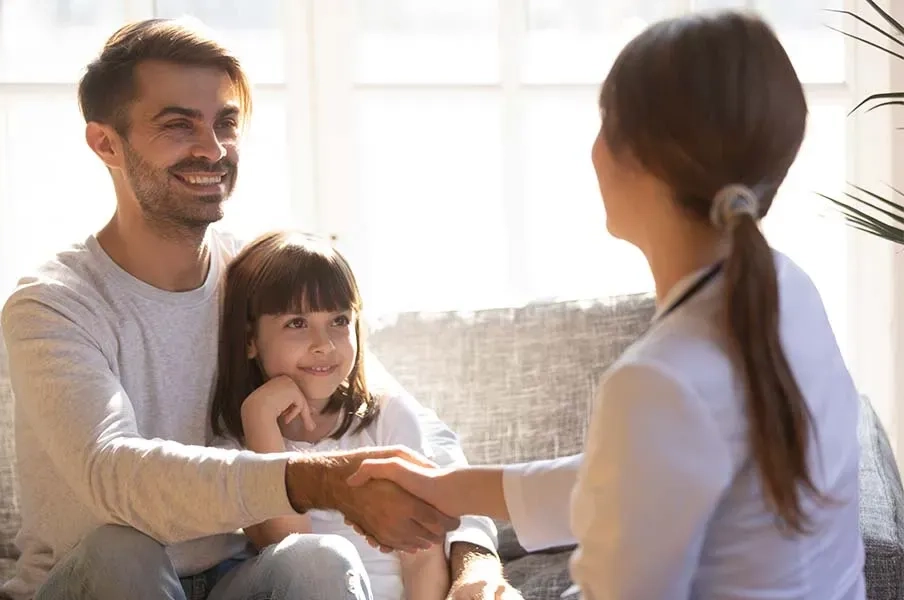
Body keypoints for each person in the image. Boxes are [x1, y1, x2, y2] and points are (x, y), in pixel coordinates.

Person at [347, 10, 866, 600]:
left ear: (639, 158)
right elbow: (641, 480)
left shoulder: (659, 381)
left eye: (604, 121)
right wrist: (447, 487)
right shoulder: (788, 288)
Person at [0, 17, 517, 600]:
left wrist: (475, 562)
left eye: (226, 123)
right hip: (102, 579)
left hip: (236, 581)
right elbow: (114, 474)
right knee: (125, 550)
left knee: (318, 558)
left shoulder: (254, 273)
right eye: (178, 124)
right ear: (106, 143)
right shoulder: (53, 305)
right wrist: (322, 481)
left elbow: (412, 429)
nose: (213, 150)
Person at [211, 229, 454, 600]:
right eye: (297, 323)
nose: (323, 344)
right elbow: (292, 551)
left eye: (339, 321)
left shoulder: (387, 419)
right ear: (249, 340)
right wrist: (259, 417)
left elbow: (423, 560)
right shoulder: (238, 440)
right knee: (317, 558)